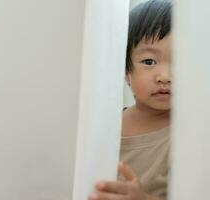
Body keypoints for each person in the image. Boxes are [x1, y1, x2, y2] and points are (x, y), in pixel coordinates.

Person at [88, 0, 172, 199]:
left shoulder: (189, 137)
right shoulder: (103, 124)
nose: (165, 76)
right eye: (149, 61)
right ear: (126, 70)